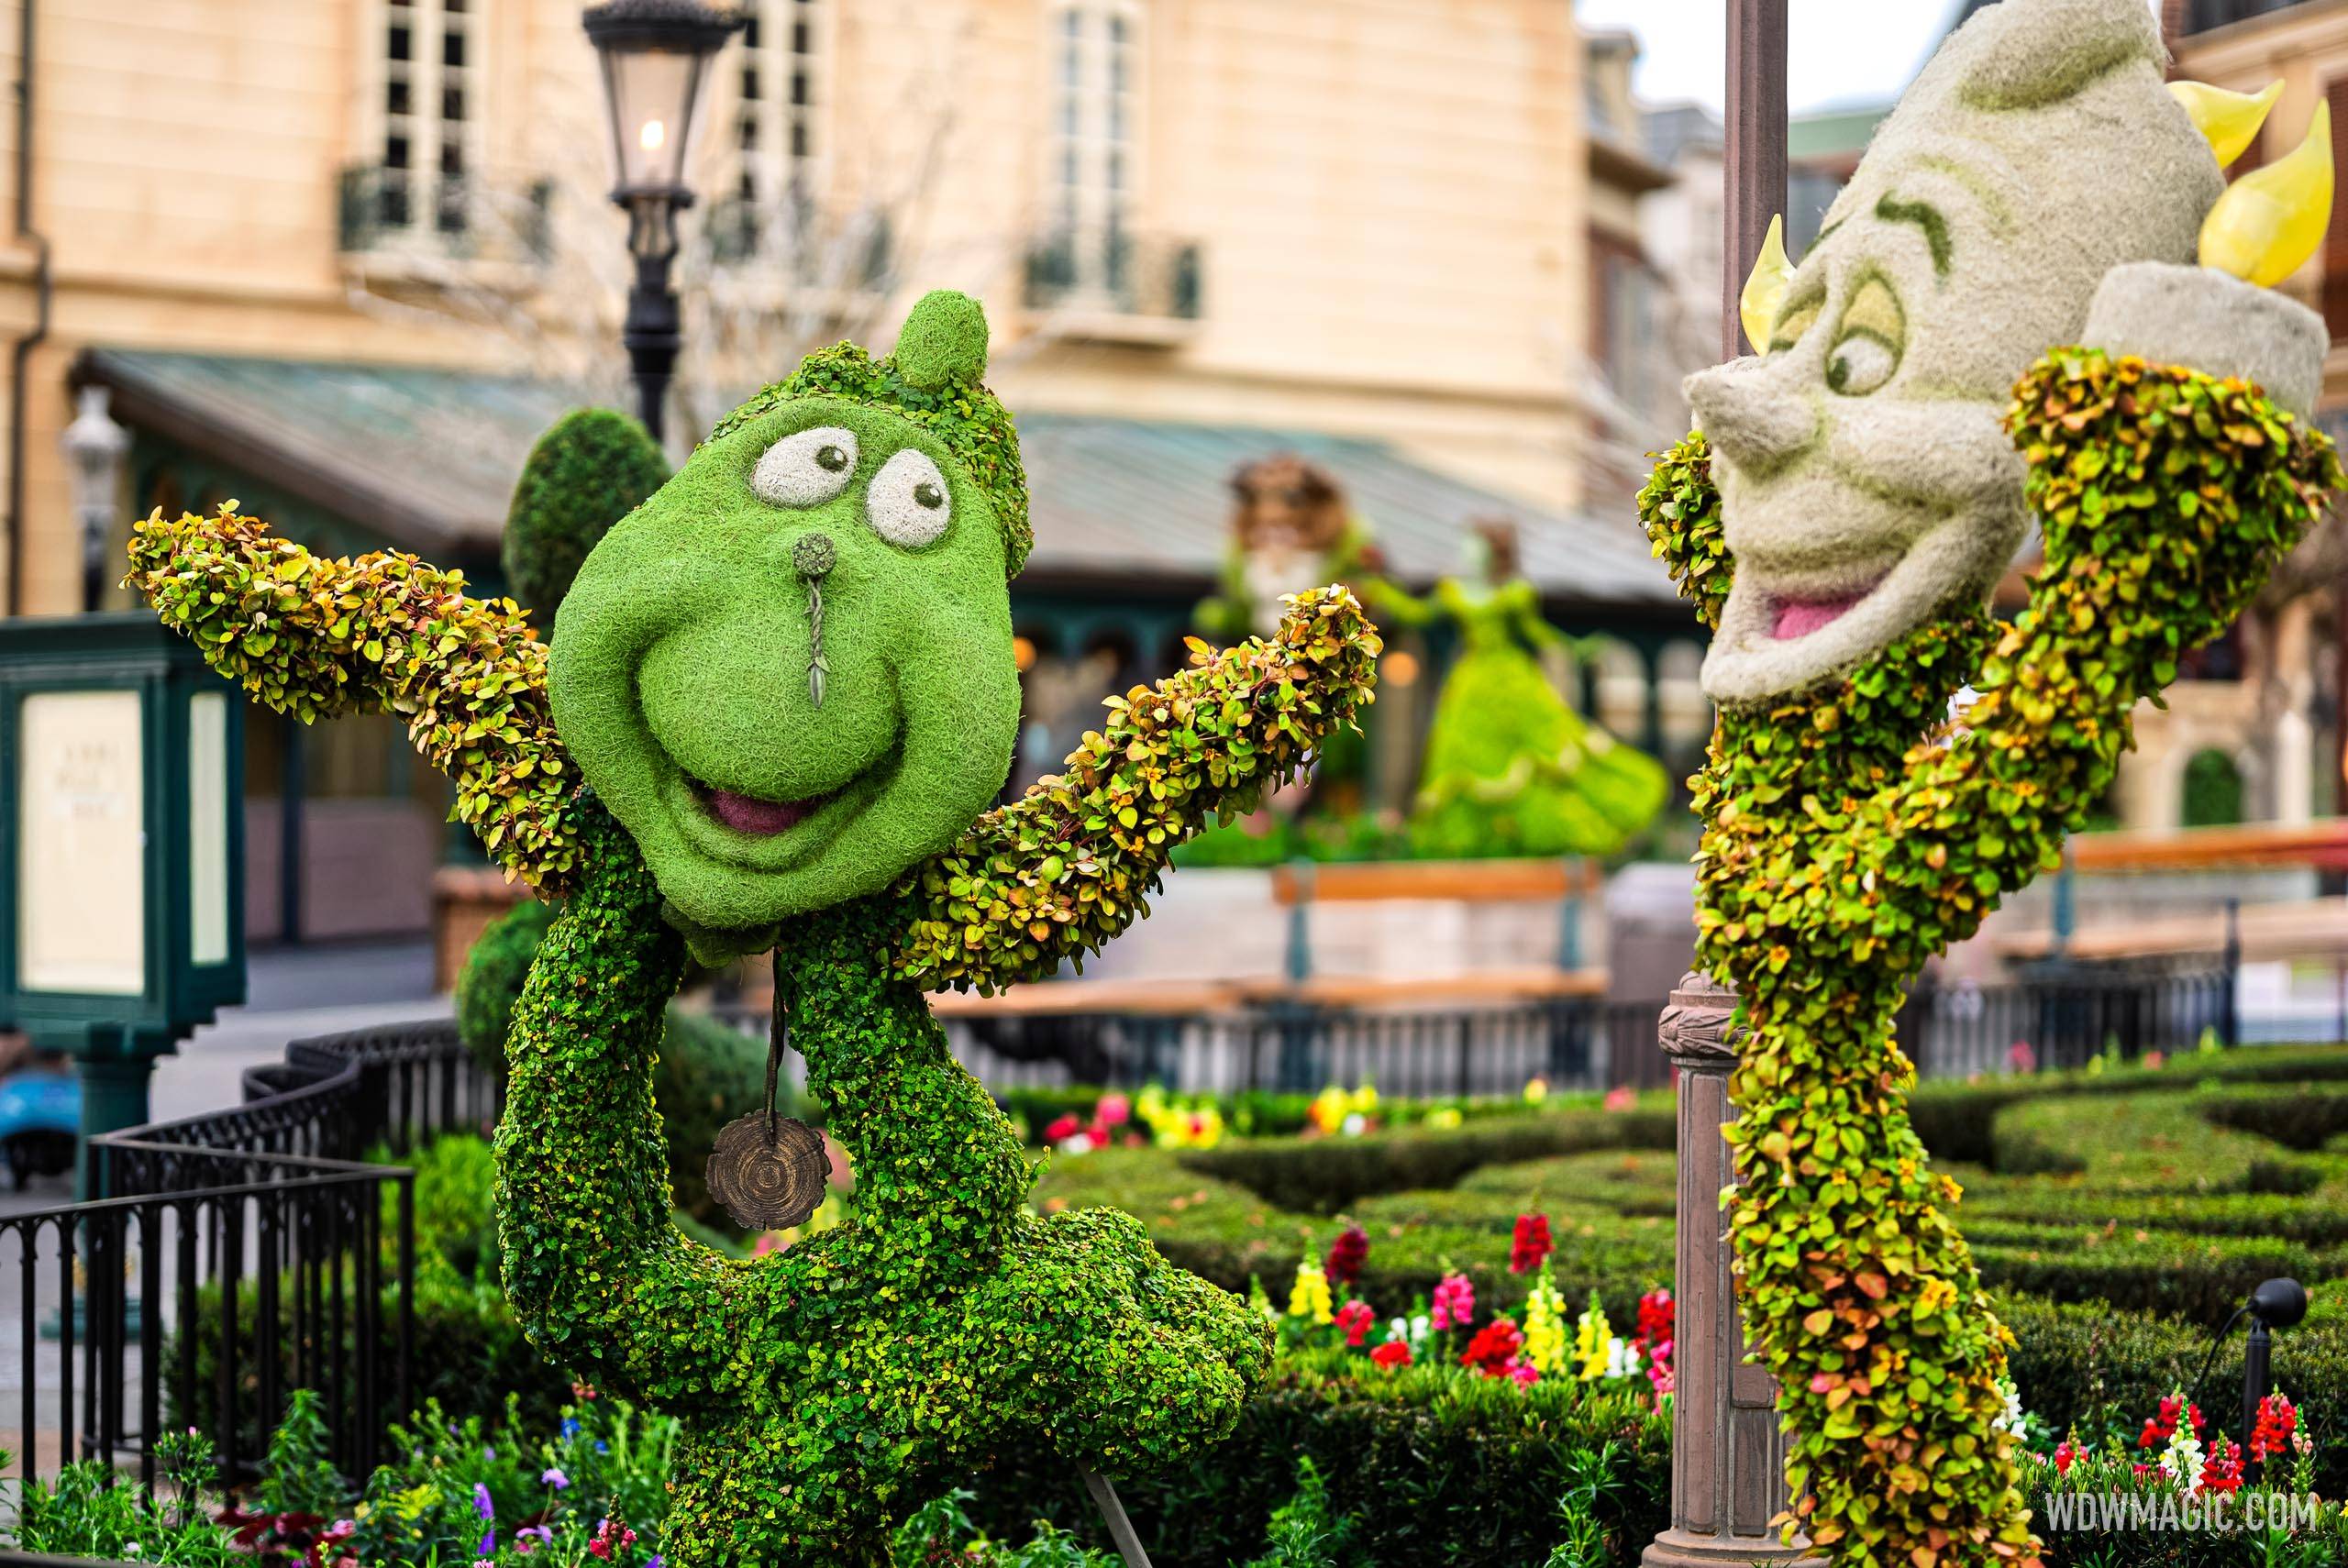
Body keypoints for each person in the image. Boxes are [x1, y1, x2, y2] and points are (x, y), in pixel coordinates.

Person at [1370, 519, 1666, 859]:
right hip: (1472, 682)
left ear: (1491, 552)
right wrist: (1379, 589)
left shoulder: (1515, 592)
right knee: (1465, 758)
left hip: (1511, 678)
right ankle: (1482, 846)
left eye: (1474, 543)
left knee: (1543, 753)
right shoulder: (1452, 588)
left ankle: (1542, 840)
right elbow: (1417, 613)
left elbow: (1537, 632)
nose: (1467, 550)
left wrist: (1576, 648)